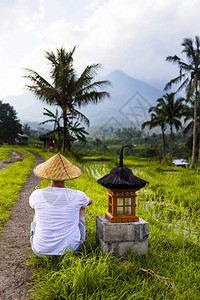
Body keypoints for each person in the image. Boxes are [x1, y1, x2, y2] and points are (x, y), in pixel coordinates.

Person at [29, 153, 92, 256]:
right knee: (81, 206)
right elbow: (89, 201)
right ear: (66, 177)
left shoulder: (37, 194)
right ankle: (76, 240)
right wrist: (84, 200)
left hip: (40, 250)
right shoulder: (78, 195)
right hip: (72, 250)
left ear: (49, 176)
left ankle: (44, 240)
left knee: (36, 209)